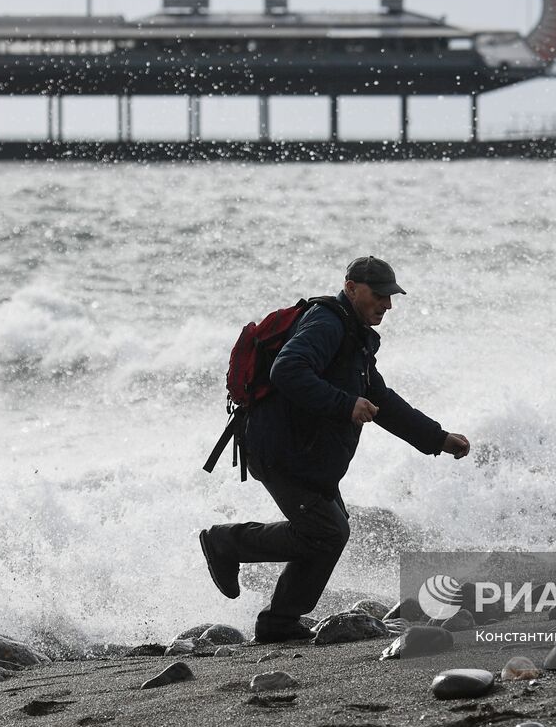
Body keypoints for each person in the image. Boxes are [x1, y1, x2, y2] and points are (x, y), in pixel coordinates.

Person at [199, 256, 470, 643]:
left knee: (329, 530)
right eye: (379, 296)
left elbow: (382, 400)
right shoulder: (327, 323)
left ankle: (279, 621)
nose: (387, 305)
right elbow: (288, 370)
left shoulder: (355, 336)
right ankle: (225, 543)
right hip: (279, 448)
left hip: (305, 453)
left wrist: (437, 438)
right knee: (326, 531)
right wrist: (345, 404)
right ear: (351, 287)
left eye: (390, 297)